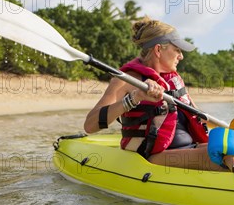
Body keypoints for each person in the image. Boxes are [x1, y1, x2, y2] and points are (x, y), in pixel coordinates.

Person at [84, 17, 224, 172]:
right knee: (219, 156)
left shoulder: (174, 81)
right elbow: (90, 125)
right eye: (177, 50)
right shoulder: (128, 80)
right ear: (158, 50)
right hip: (154, 157)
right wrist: (135, 98)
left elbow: (201, 117)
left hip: (188, 150)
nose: (181, 56)